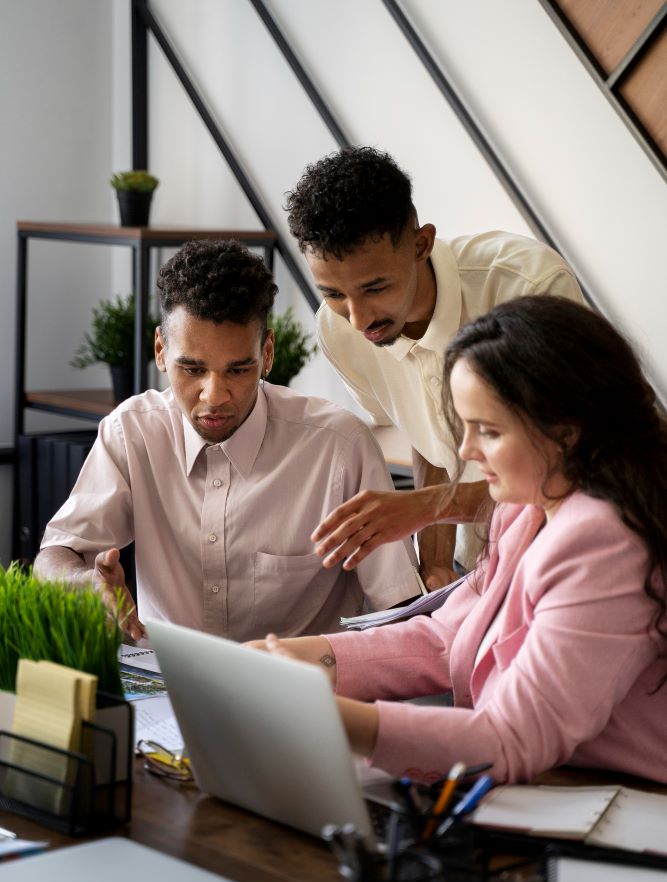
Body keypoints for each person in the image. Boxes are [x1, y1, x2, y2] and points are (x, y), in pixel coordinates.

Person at [250, 296, 667, 786]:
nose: (466, 451)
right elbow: (449, 637)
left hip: (623, 798)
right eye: (465, 428)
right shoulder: (527, 504)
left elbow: (512, 738)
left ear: (566, 432)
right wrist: (305, 658)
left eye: (487, 431)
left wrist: (319, 713)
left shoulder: (603, 540)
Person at [34, 240, 420, 643]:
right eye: (192, 369)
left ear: (267, 354)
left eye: (237, 370)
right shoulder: (130, 432)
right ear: (161, 351)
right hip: (165, 677)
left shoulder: (341, 447)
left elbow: (399, 612)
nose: (214, 396)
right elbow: (57, 553)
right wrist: (82, 582)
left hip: (308, 679)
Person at [285, 146, 585, 588]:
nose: (359, 318)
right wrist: (434, 564)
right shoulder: (338, 330)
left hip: (578, 551)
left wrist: (427, 507)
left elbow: (576, 464)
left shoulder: (527, 286)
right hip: (480, 564)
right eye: (333, 293)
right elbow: (427, 435)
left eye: (375, 288)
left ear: (421, 244)